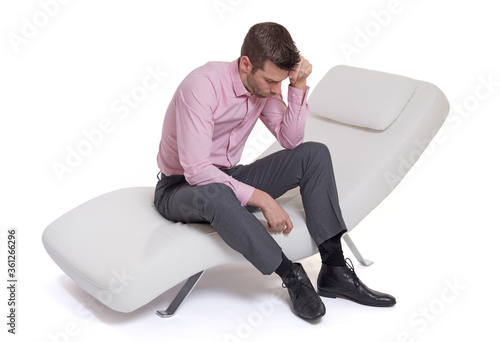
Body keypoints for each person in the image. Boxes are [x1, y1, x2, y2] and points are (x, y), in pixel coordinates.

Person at [154, 22, 395, 321]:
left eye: (279, 82)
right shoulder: (202, 86)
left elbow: (291, 140)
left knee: (313, 154)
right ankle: (291, 274)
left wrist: (297, 87)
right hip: (180, 188)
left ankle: (334, 269)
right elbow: (196, 170)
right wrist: (263, 199)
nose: (274, 90)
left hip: (230, 175)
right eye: (270, 81)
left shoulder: (264, 87)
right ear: (246, 64)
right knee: (216, 193)